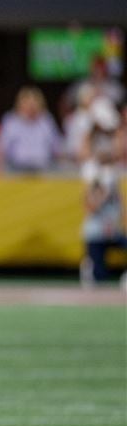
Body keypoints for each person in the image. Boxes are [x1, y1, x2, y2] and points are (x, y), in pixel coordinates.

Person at [79, 97, 125, 285]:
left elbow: (119, 150)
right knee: (99, 278)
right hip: (96, 230)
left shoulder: (114, 171)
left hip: (114, 228)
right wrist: (103, 192)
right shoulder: (91, 170)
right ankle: (90, 265)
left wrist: (113, 129)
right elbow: (90, 205)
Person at [0, 86, 63, 173]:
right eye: (27, 102)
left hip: (43, 169)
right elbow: (1, 148)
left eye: (34, 102)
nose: (31, 105)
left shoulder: (46, 120)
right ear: (20, 104)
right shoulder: (11, 121)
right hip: (17, 169)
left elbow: (57, 147)